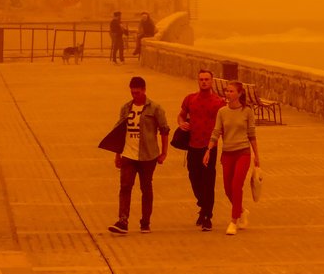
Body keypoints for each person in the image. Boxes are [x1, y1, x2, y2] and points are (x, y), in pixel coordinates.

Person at [109, 76, 169, 234]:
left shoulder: (155, 108)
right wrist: (117, 155)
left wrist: (164, 153)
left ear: (144, 90)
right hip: (128, 154)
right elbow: (119, 132)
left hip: (148, 155)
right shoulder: (125, 108)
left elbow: (164, 130)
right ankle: (123, 220)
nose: (134, 95)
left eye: (137, 92)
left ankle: (145, 222)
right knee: (125, 187)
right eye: (132, 92)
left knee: (146, 187)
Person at [203, 81, 259, 235]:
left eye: (231, 91)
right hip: (227, 153)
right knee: (228, 189)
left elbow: (252, 134)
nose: (228, 94)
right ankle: (241, 211)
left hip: (243, 153)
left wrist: (257, 156)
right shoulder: (222, 112)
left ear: (239, 94)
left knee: (236, 185)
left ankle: (233, 221)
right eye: (227, 91)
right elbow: (216, 132)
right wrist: (208, 150)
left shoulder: (247, 111)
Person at [178, 70, 225, 231]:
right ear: (198, 81)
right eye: (201, 79)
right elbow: (181, 116)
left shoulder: (219, 102)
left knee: (208, 181)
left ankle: (207, 216)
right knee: (194, 178)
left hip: (210, 147)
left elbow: (224, 125)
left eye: (207, 79)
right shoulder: (190, 99)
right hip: (192, 146)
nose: (204, 82)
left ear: (212, 81)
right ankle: (203, 205)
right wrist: (181, 123)